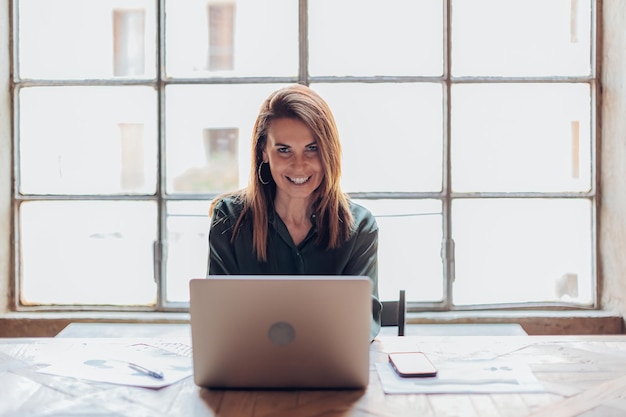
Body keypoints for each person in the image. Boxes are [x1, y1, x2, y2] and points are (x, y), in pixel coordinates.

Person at [207, 84, 382, 340]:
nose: (299, 165)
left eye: (312, 148)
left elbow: (363, 322)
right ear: (264, 152)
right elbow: (217, 317)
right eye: (284, 149)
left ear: (328, 152)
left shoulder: (360, 227)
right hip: (250, 369)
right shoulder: (229, 219)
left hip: (330, 368)